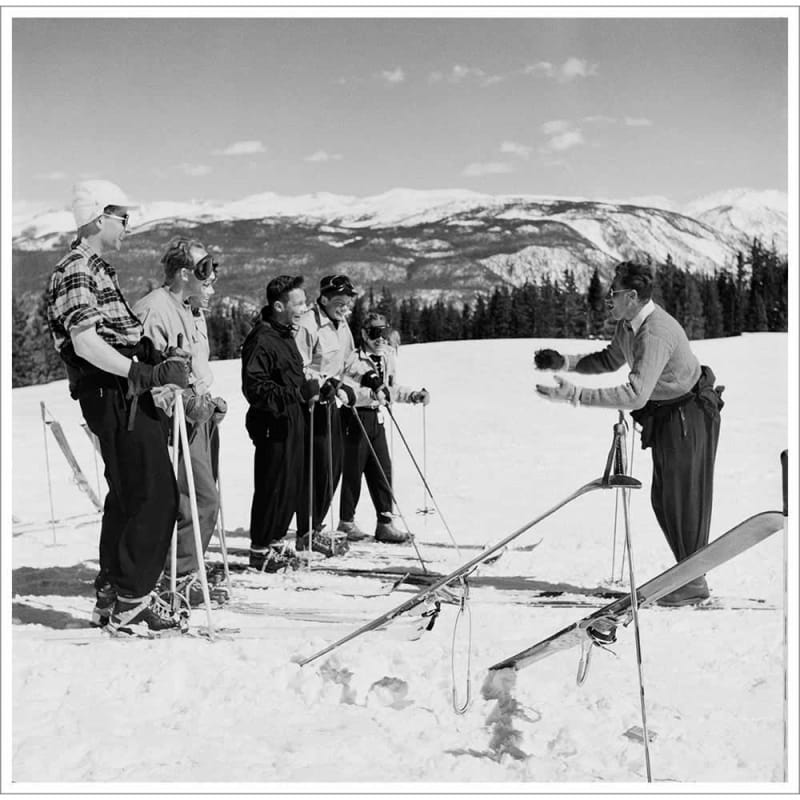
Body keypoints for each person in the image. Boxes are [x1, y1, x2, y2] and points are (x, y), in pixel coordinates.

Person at [46, 180, 191, 636]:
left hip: (122, 392)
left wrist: (154, 359)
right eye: (122, 217)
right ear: (96, 216)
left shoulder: (97, 269)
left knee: (129, 494)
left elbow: (118, 336)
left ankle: (112, 593)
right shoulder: (76, 270)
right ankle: (133, 602)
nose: (128, 226)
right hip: (114, 394)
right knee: (155, 495)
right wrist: (140, 374)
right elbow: (86, 342)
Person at [534, 260, 724, 606]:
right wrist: (564, 362)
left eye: (614, 293)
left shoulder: (655, 332)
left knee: (683, 501)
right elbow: (610, 359)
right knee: (665, 500)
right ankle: (688, 575)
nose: (609, 298)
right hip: (668, 414)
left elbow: (635, 393)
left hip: (690, 415)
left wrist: (575, 396)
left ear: (633, 296)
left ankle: (693, 581)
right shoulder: (628, 325)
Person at [132, 237, 228, 607]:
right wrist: (186, 403)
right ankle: (180, 574)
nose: (212, 279)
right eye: (205, 270)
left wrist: (205, 400)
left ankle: (188, 568)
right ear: (185, 272)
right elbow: (147, 376)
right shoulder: (155, 310)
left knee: (204, 500)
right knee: (200, 499)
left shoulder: (189, 310)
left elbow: (191, 367)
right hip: (170, 422)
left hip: (196, 415)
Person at [242, 275, 320, 571]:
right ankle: (260, 549)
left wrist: (311, 390)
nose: (304, 307)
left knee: (289, 485)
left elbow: (293, 377)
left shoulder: (286, 334)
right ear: (279, 306)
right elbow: (254, 388)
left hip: (292, 421)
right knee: (272, 485)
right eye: (298, 302)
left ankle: (274, 541)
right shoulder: (262, 339)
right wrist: (295, 393)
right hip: (272, 424)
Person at [337, 312, 430, 543]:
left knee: (382, 470)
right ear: (364, 334)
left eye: (384, 333)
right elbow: (346, 392)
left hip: (376, 418)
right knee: (353, 471)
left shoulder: (386, 357)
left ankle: (385, 522)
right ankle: (346, 522)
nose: (380, 339)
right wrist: (372, 394)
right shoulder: (353, 359)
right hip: (354, 417)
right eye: (374, 333)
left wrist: (412, 395)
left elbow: (391, 387)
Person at [293, 274, 359, 557]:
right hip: (312, 403)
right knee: (316, 468)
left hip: (332, 402)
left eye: (347, 304)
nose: (345, 309)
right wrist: (322, 383)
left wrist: (367, 379)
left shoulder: (341, 324)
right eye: (339, 303)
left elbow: (350, 360)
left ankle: (316, 525)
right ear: (325, 299)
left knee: (334, 466)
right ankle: (306, 531)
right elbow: (299, 365)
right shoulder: (309, 324)